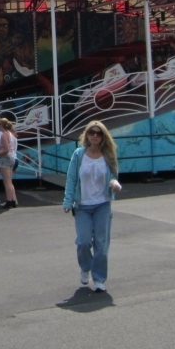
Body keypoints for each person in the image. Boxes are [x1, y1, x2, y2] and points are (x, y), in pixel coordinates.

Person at [62, 121, 122, 292]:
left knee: (102, 245)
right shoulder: (78, 154)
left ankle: (99, 279)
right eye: (92, 132)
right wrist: (67, 201)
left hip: (102, 205)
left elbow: (113, 177)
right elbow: (71, 179)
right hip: (82, 206)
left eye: (98, 133)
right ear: (87, 135)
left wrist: (115, 185)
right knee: (84, 242)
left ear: (103, 136)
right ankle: (85, 267)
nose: (95, 135)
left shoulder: (108, 155)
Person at [0, 117, 18, 208]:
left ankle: (9, 200)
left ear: (1, 125)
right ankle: (13, 200)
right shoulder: (11, 134)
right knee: (10, 181)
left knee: (7, 181)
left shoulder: (4, 135)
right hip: (12, 157)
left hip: (6, 158)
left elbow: (6, 149)